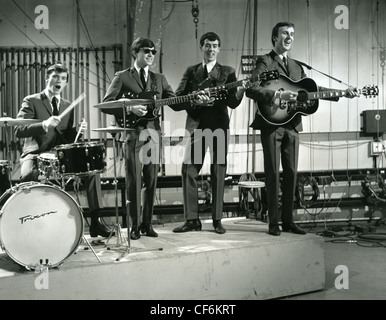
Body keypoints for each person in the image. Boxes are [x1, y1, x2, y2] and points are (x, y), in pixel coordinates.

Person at [246, 22, 358, 236]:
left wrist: (342, 93)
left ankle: (288, 221)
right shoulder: (265, 61)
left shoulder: (298, 66)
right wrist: (277, 95)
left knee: (291, 174)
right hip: (271, 124)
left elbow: (312, 90)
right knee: (272, 174)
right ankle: (273, 223)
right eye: (285, 34)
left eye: (292, 34)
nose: (289, 37)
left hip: (292, 126)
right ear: (274, 37)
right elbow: (252, 88)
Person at [102, 37, 203, 240]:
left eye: (153, 52)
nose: (151, 55)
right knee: (133, 181)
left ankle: (147, 224)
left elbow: (174, 102)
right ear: (135, 53)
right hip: (132, 135)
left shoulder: (159, 78)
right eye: (146, 51)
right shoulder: (122, 77)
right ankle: (134, 225)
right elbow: (106, 104)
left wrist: (193, 99)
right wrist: (129, 107)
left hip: (153, 135)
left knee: (151, 181)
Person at [14, 63, 113, 239]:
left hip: (58, 156)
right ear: (47, 79)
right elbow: (19, 130)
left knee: (92, 172)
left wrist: (78, 132)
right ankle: (31, 222)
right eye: (55, 77)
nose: (58, 81)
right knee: (28, 176)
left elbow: (68, 139)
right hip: (35, 154)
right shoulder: (32, 101)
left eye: (62, 79)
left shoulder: (68, 105)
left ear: (66, 83)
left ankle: (96, 222)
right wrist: (43, 125)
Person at [172, 32, 246, 234]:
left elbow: (233, 102)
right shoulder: (191, 71)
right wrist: (194, 99)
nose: (211, 49)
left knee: (219, 172)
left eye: (214, 45)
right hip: (197, 128)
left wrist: (241, 90)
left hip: (219, 127)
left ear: (219, 49)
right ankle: (192, 220)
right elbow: (177, 99)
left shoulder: (228, 72)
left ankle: (217, 220)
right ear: (201, 47)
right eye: (207, 45)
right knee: (189, 171)